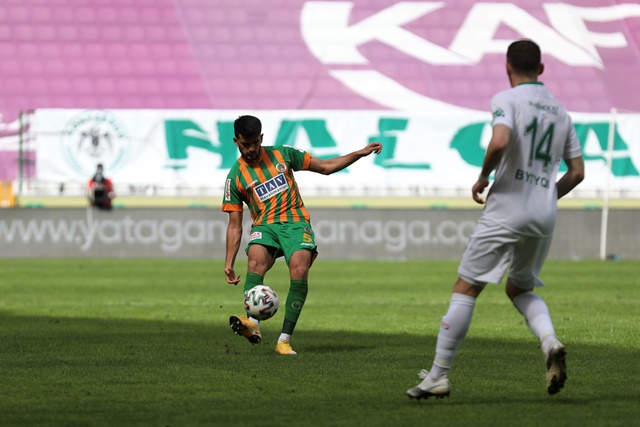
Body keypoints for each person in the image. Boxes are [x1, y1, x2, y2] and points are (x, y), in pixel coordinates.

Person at [406, 39, 585, 399]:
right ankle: (549, 341)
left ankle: (439, 376)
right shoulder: (561, 112)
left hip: (507, 207)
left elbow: (500, 141)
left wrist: (483, 176)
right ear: (542, 68)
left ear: (507, 67)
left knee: (466, 288)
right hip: (543, 214)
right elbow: (578, 172)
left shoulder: (507, 99)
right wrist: (546, 197)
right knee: (519, 288)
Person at [223, 115, 382, 355]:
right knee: (254, 262)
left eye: (255, 142)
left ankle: (284, 340)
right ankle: (252, 323)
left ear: (262, 138)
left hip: (296, 223)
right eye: (246, 144)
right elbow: (235, 225)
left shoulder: (283, 154)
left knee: (299, 269)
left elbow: (325, 167)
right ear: (236, 141)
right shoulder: (234, 177)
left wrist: (359, 153)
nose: (252, 149)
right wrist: (229, 263)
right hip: (264, 225)